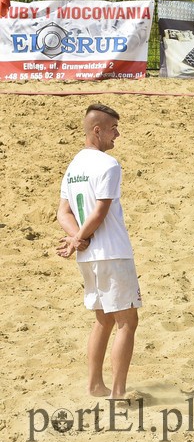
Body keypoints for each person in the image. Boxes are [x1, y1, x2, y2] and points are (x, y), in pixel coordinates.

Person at [56, 103, 141, 398]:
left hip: (88, 255)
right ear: (97, 130)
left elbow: (63, 213)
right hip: (112, 252)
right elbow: (100, 212)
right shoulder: (109, 164)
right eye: (113, 128)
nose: (117, 134)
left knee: (103, 320)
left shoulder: (74, 166)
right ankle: (118, 393)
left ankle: (95, 385)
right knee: (126, 322)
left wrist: (77, 238)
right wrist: (78, 237)